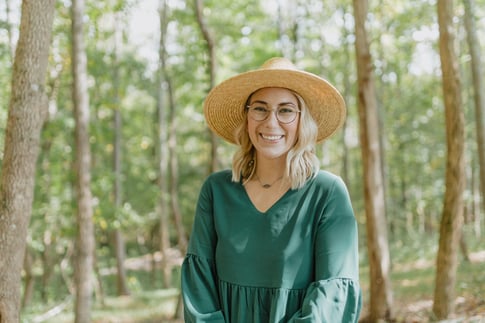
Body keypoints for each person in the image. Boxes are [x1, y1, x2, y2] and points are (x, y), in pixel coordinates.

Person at [181, 57, 362, 322]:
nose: (271, 122)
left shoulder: (327, 192)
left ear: (303, 121)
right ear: (247, 116)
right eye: (260, 109)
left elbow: (333, 294)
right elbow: (199, 288)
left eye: (286, 110)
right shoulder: (216, 190)